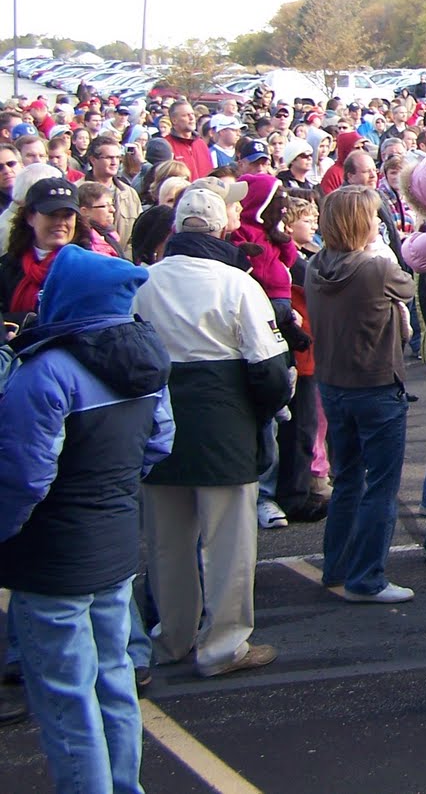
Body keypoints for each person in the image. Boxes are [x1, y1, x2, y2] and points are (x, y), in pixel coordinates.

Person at [0, 248, 172, 794]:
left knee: (66, 696)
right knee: (114, 679)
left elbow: (24, 477)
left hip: (51, 555)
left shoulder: (45, 371)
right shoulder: (147, 361)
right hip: (115, 542)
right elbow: (159, 443)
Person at [134, 185, 291, 678]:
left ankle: (172, 636)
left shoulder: (144, 281)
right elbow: (269, 369)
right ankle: (223, 645)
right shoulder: (236, 283)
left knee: (167, 542)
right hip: (224, 425)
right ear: (221, 227)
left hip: (158, 425)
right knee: (227, 544)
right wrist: (263, 412)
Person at [305, 185, 417, 604]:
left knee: (348, 479)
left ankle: (337, 565)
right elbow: (407, 287)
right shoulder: (376, 268)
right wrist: (381, 252)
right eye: (372, 217)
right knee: (381, 486)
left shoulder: (314, 266)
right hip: (375, 385)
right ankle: (367, 577)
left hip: (334, 384)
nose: (378, 224)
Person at [0, 175, 90, 321]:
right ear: (30, 217)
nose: (60, 222)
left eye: (68, 215)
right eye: (52, 215)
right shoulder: (9, 266)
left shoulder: (87, 266)